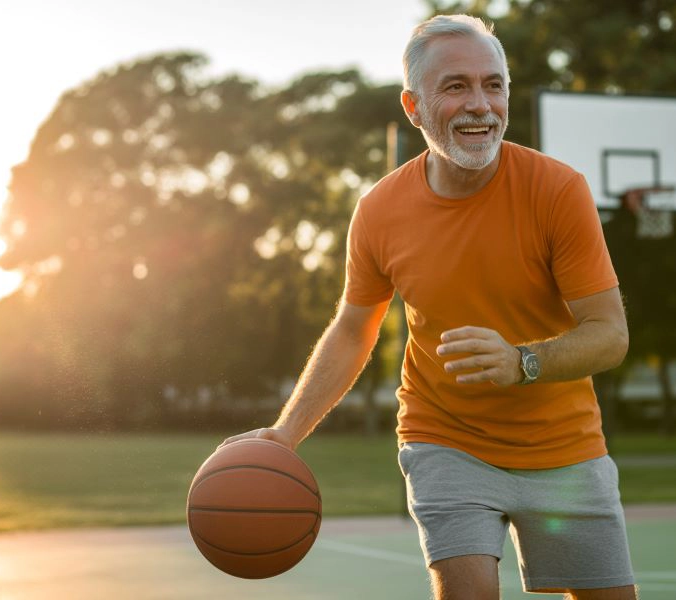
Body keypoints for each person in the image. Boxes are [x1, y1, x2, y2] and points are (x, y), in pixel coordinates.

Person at [221, 14, 637, 600]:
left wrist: (522, 361)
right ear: (414, 107)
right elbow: (352, 328)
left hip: (564, 448)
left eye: (494, 85)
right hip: (446, 438)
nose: (481, 105)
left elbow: (609, 334)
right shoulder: (379, 211)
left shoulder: (557, 191)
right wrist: (287, 433)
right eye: (456, 86)